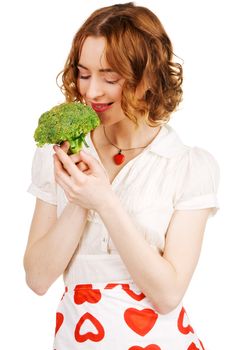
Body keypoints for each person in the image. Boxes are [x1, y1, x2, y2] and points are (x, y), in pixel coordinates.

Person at [23, 2, 220, 349]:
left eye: (110, 78)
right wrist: (80, 199)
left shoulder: (189, 166)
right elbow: (38, 279)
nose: (92, 91)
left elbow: (168, 294)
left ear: (149, 77)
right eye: (84, 74)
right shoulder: (58, 152)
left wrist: (104, 200)